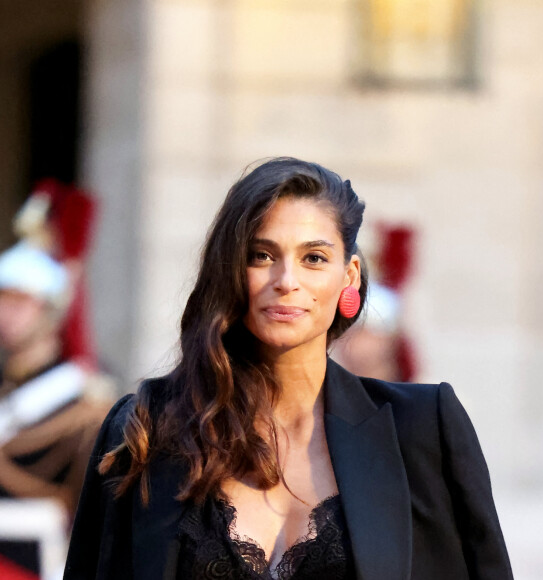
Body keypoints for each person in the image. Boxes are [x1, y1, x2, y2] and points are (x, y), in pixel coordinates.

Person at [64, 158, 513, 580]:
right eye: (261, 255)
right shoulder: (144, 429)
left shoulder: (422, 429)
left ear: (349, 277)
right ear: (230, 270)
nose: (286, 280)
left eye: (313, 258)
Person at [0, 242, 112, 521]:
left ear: (51, 309)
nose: (5, 311)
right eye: (1, 299)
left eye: (19, 300)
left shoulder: (81, 401)